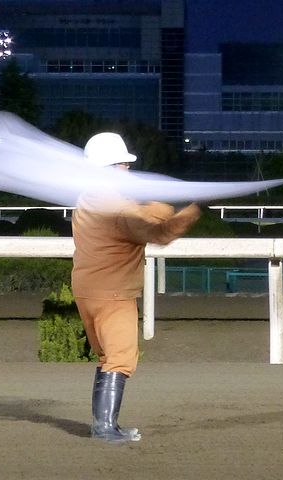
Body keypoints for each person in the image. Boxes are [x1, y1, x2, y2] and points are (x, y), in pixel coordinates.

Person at [71, 132, 201, 443]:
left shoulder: (87, 198)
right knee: (121, 358)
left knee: (108, 356)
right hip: (113, 292)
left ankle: (107, 424)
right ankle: (104, 428)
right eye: (122, 164)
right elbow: (159, 233)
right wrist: (190, 211)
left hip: (87, 288)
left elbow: (137, 219)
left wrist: (158, 206)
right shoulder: (117, 205)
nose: (127, 168)